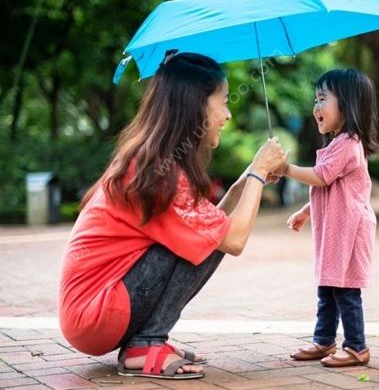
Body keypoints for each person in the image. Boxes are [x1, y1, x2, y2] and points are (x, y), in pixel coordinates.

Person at [58, 52, 286, 380]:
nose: (228, 114)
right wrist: (259, 174)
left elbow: (209, 226)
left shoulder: (152, 162)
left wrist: (247, 177)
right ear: (196, 107)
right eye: (222, 102)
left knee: (208, 235)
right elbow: (232, 239)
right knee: (212, 237)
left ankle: (145, 341)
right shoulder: (158, 174)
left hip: (96, 309)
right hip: (97, 313)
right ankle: (145, 345)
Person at [278, 68, 379, 367]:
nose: (316, 107)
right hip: (335, 231)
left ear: (347, 103)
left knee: (345, 290)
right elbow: (330, 189)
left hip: (350, 232)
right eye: (315, 99)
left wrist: (285, 168)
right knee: (327, 285)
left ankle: (357, 346)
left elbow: (321, 177)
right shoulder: (336, 144)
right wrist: (306, 211)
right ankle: (323, 341)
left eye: (322, 99)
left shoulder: (350, 143)